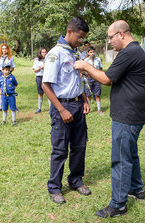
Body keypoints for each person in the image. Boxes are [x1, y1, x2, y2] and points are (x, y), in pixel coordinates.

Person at [74, 20, 145, 218]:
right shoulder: (136, 51)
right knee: (131, 153)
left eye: (110, 37)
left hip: (128, 115)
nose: (109, 42)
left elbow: (107, 79)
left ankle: (118, 204)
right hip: (134, 113)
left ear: (121, 34)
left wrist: (85, 66)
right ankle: (136, 188)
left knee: (120, 159)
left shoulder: (128, 53)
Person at [42, 17, 91, 204]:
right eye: (79, 37)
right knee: (60, 149)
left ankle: (75, 180)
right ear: (69, 32)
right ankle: (54, 187)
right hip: (62, 106)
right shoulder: (56, 54)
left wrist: (84, 99)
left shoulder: (73, 53)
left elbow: (77, 78)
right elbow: (46, 85)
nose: (81, 41)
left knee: (79, 146)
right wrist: (61, 109)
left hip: (78, 105)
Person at [0, 44, 16, 112]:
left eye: (5, 49)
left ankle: (12, 105)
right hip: (1, 74)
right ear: (1, 49)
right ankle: (0, 106)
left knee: (9, 90)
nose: (4, 50)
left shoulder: (10, 57)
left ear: (7, 49)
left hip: (8, 75)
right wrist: (3, 72)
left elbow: (13, 67)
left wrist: (8, 72)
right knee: (1, 91)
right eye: (3, 49)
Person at [84, 46, 104, 114]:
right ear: (88, 53)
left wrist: (100, 75)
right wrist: (87, 74)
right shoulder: (86, 60)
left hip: (97, 79)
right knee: (88, 95)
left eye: (93, 52)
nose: (92, 53)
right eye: (91, 52)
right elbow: (83, 69)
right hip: (89, 79)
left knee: (97, 94)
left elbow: (101, 68)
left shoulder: (98, 59)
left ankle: (99, 110)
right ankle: (88, 109)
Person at [33, 47, 48, 113]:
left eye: (45, 52)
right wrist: (40, 68)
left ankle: (51, 109)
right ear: (40, 53)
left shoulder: (48, 59)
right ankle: (39, 108)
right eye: (43, 52)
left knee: (48, 93)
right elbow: (35, 70)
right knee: (40, 93)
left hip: (46, 77)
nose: (44, 53)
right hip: (39, 77)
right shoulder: (37, 60)